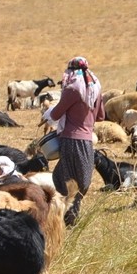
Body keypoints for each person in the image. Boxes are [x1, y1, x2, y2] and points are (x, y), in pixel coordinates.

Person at [45, 56, 105, 226]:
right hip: (87, 140)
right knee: (80, 180)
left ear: (71, 71)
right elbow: (101, 116)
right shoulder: (95, 88)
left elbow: (55, 114)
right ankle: (69, 218)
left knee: (66, 179)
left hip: (71, 140)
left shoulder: (73, 89)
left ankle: (64, 218)